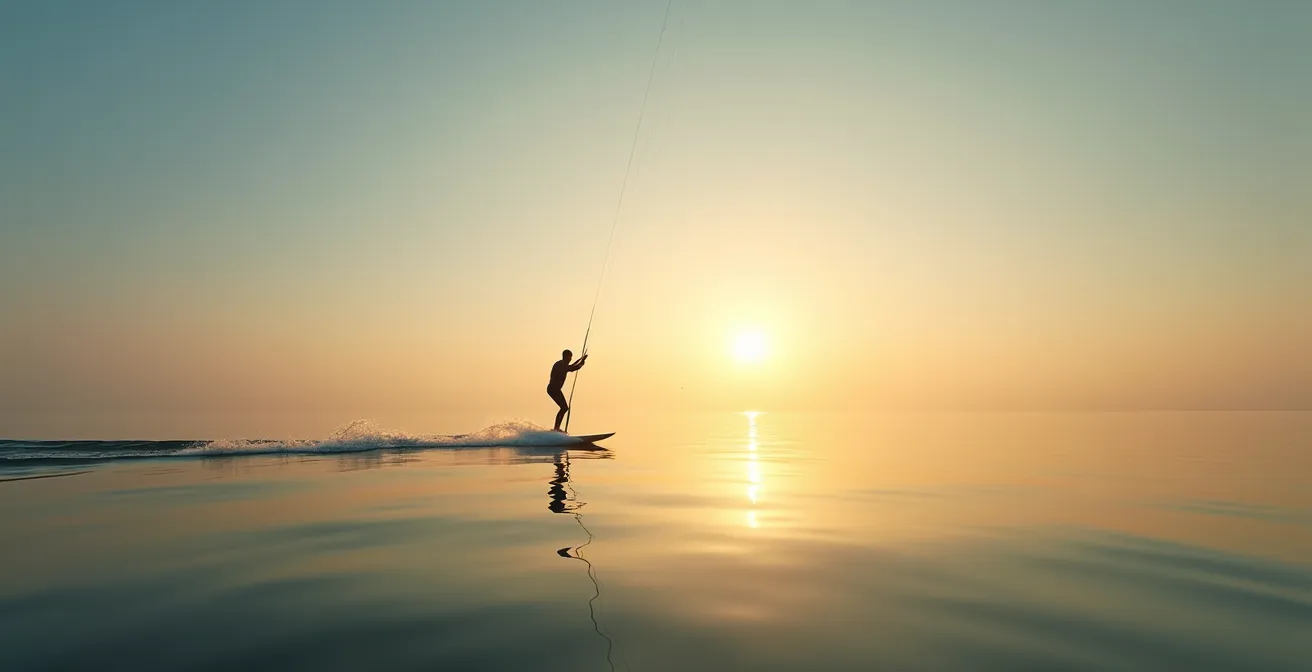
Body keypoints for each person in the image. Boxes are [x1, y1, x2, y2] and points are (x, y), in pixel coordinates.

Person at [547, 349, 588, 432]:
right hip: (553, 389)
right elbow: (573, 368)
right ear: (566, 357)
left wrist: (581, 359)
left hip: (554, 389)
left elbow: (572, 365)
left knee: (564, 408)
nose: (571, 359)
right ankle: (556, 428)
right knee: (564, 408)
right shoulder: (561, 365)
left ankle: (556, 428)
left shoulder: (562, 364)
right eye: (570, 357)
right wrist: (582, 363)